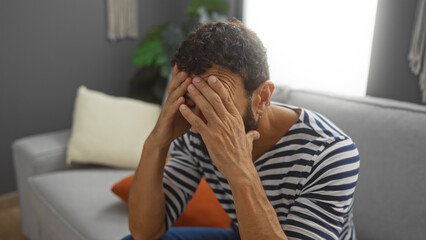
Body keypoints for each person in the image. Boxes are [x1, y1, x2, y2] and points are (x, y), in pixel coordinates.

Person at [125, 18, 359, 240]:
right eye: (193, 100)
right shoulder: (192, 127)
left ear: (263, 97)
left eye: (217, 102)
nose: (199, 125)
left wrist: (239, 167)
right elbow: (146, 233)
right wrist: (157, 141)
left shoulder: (331, 152)